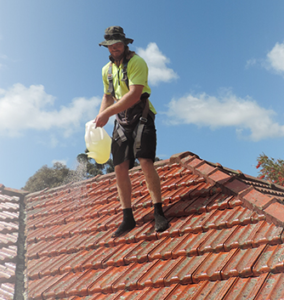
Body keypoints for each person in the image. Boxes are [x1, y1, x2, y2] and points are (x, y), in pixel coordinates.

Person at [95, 26, 169, 237]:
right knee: (119, 168)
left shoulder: (137, 62)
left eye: (118, 43)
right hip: (121, 118)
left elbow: (135, 95)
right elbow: (107, 96)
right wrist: (100, 117)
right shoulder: (106, 70)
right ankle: (127, 218)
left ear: (125, 43)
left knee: (145, 161)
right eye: (111, 45)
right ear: (106, 47)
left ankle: (158, 212)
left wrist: (107, 113)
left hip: (141, 114)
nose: (115, 47)